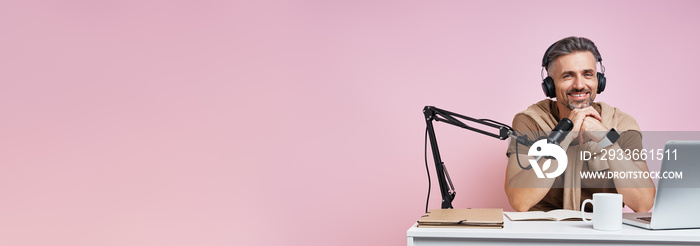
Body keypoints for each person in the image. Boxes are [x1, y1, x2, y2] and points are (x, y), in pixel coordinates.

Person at [504, 36, 656, 212]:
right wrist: (565, 135)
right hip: (544, 233)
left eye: (587, 74)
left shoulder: (621, 123)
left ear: (599, 80)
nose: (579, 85)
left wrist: (607, 140)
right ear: (550, 85)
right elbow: (519, 201)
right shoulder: (530, 122)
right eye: (568, 76)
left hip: (602, 231)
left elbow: (643, 204)